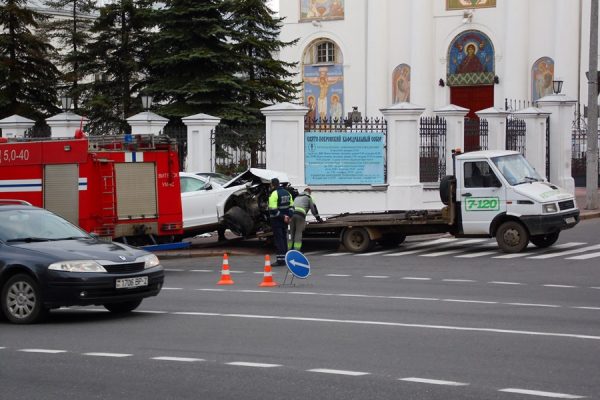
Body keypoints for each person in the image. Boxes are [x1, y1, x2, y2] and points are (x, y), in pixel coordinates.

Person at [288, 187, 322, 252]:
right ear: (310, 192)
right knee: (298, 232)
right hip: (300, 216)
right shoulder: (308, 197)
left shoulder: (297, 197)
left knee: (291, 233)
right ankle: (296, 250)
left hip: (291, 215)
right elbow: (313, 209)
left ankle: (288, 249)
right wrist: (318, 218)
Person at [268, 178, 293, 266]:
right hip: (285, 221)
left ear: (272, 184)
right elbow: (292, 207)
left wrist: (283, 217)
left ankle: (280, 260)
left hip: (277, 220)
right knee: (284, 239)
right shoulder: (287, 193)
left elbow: (273, 209)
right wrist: (288, 216)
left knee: (279, 240)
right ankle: (285, 258)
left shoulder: (274, 194)